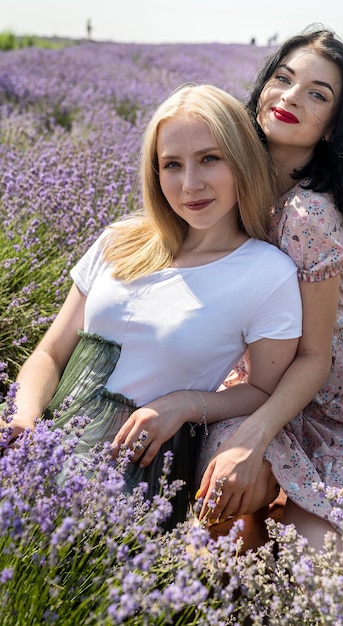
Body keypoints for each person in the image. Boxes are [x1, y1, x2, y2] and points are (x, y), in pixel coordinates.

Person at [0, 84, 302, 528]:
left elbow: (262, 391)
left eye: (210, 159)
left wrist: (183, 403)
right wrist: (23, 419)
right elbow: (50, 352)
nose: (190, 184)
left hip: (137, 474)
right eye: (172, 165)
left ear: (241, 159)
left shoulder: (267, 272)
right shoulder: (119, 240)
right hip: (48, 442)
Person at [150, 27, 343, 553]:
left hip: (329, 410)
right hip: (248, 385)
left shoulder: (309, 215)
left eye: (317, 94)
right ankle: (262, 517)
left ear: (332, 127)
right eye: (283, 79)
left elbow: (315, 357)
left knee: (318, 569)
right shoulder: (230, 184)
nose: (290, 97)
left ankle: (288, 513)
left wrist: (253, 435)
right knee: (225, 526)